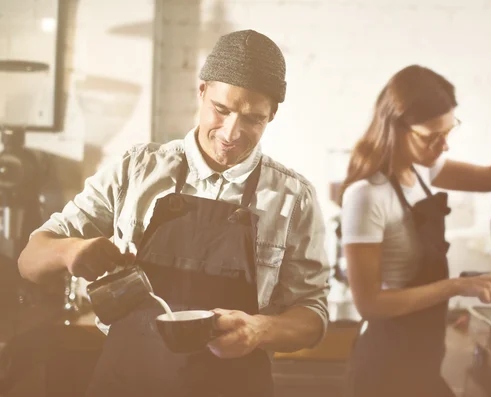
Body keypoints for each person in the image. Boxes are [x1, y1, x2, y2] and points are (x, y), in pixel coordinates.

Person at [18, 30, 330, 397]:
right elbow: (30, 259)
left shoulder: (294, 198)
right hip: (127, 383)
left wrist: (260, 330)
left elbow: (312, 315)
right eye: (221, 109)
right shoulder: (137, 170)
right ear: (201, 92)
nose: (231, 132)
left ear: (272, 114)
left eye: (252, 119)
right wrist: (70, 251)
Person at [340, 65, 491, 397]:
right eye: (432, 137)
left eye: (449, 131)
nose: (444, 147)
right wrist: (457, 285)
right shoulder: (367, 194)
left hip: (423, 361)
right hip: (385, 368)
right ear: (396, 128)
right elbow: (369, 304)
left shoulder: (422, 171)